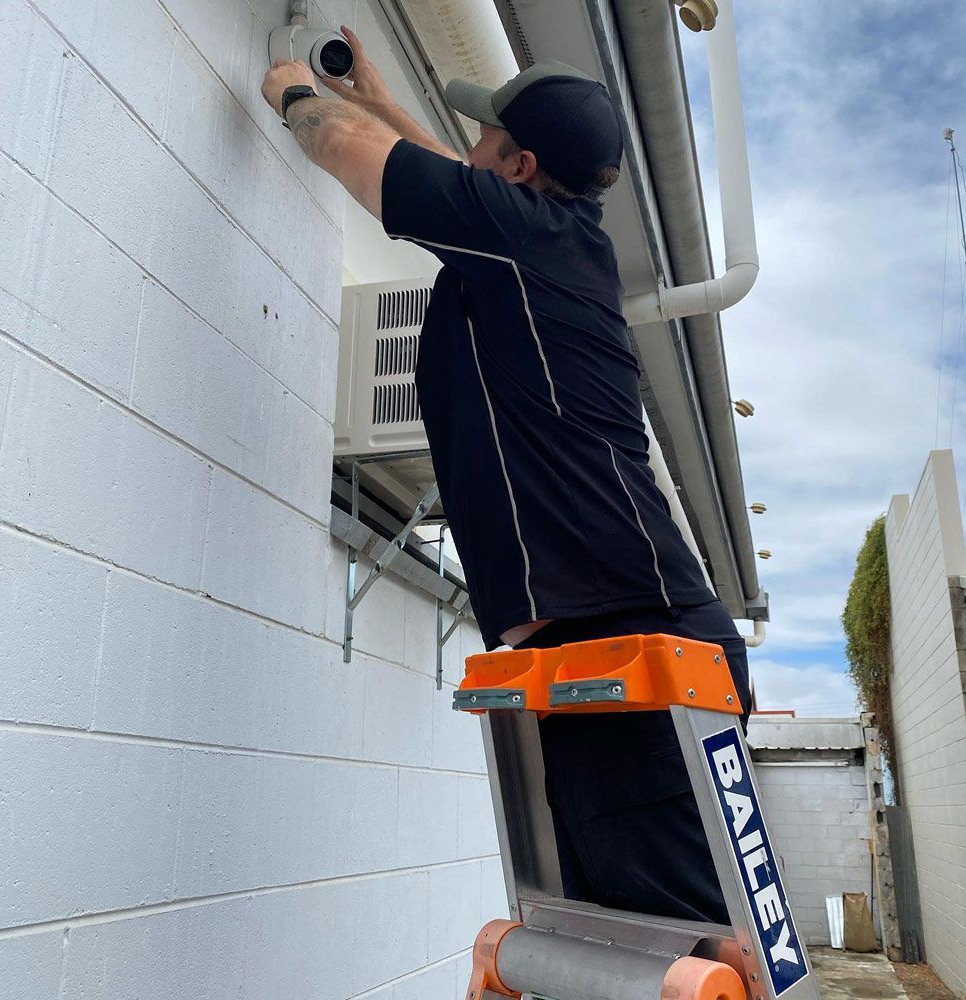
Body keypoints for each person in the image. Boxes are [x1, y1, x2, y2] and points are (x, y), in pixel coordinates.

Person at [262, 27, 751, 925]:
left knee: (685, 959)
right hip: (611, 655)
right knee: (610, 949)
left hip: (644, 660)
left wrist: (299, 90)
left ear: (520, 166)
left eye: (491, 138)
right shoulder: (543, 239)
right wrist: (376, 96)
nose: (476, 148)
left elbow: (346, 150)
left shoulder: (522, 239)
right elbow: (466, 181)